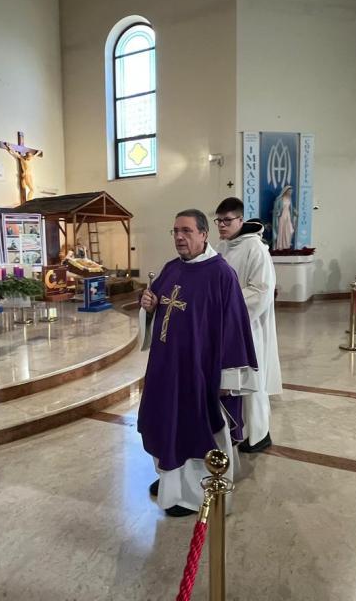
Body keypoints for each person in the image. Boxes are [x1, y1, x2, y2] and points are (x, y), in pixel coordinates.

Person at [138, 210, 258, 517]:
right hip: (166, 369)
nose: (179, 237)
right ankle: (170, 479)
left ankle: (194, 492)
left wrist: (228, 379)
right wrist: (149, 307)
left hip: (199, 373)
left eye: (187, 231)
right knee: (166, 423)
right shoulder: (171, 269)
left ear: (204, 234)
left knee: (196, 429)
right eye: (175, 231)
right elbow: (158, 308)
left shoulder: (221, 274)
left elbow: (234, 327)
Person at [214, 198, 282, 453]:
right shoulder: (221, 247)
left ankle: (259, 435)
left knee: (252, 380)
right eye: (219, 221)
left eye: (227, 220)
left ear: (240, 220)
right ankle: (237, 430)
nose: (222, 225)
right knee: (233, 381)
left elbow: (261, 291)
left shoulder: (256, 248)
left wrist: (226, 305)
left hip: (248, 326)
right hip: (225, 326)